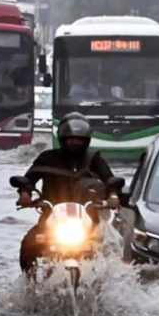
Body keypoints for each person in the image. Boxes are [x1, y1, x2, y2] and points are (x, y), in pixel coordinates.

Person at [15, 112, 120, 273]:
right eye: (71, 139)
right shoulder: (47, 158)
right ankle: (29, 283)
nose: (74, 143)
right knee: (30, 243)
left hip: (87, 216)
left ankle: (108, 283)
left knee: (111, 248)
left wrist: (113, 197)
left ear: (86, 141)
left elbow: (110, 181)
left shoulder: (93, 159)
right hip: (51, 214)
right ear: (62, 139)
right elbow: (29, 179)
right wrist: (25, 194)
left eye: (79, 140)